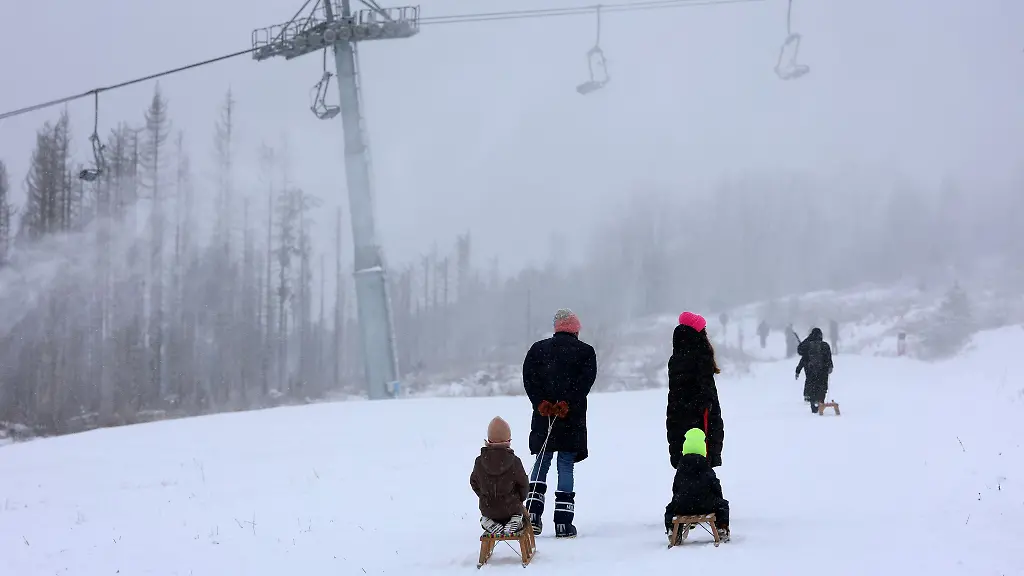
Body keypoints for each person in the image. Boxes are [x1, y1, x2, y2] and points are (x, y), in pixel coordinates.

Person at [523, 308, 597, 538]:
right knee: (565, 463)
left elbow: (529, 380)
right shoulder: (585, 352)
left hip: (544, 416)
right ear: (575, 329)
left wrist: (541, 402)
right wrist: (567, 403)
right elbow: (585, 383)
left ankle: (532, 517)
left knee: (542, 459)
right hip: (571, 417)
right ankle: (564, 523)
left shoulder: (538, 350)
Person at [666, 312, 724, 469]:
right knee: (701, 475)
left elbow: (679, 395)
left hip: (680, 422)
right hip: (700, 425)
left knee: (688, 473)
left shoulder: (678, 356)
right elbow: (706, 396)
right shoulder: (699, 357)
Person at [664, 428, 730, 543]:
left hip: (683, 505)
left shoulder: (681, 468)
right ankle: (722, 527)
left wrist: (679, 499)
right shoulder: (706, 467)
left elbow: (676, 488)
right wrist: (717, 498)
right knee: (723, 505)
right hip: (706, 504)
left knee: (670, 509)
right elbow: (715, 486)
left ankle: (673, 530)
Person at [470, 416, 530, 536]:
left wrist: (483, 495)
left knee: (488, 513)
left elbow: (474, 482)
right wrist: (520, 499)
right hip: (511, 507)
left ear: (489, 441)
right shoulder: (514, 461)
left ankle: (488, 521)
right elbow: (524, 485)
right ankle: (515, 521)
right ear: (508, 440)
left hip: (488, 508)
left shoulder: (479, 461)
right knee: (521, 515)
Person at [796, 327, 834, 413]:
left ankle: (813, 405)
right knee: (822, 387)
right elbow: (829, 359)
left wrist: (798, 369)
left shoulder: (808, 345)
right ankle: (821, 404)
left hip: (811, 371)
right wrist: (830, 367)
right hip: (823, 371)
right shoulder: (825, 345)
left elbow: (800, 351)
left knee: (812, 386)